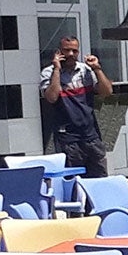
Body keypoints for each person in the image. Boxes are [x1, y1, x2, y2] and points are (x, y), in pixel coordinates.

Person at [39, 35, 114, 177]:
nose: (71, 54)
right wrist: (56, 70)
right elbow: (51, 97)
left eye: (74, 51)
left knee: (99, 179)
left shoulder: (86, 70)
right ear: (59, 52)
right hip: (68, 138)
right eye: (66, 51)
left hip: (91, 136)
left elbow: (107, 92)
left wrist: (97, 69)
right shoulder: (49, 73)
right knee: (73, 181)